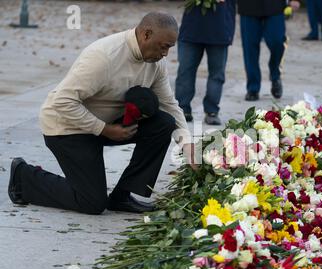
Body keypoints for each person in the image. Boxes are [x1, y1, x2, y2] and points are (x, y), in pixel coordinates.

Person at [7, 12, 196, 215]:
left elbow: (169, 103)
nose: (166, 53)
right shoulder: (104, 56)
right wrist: (103, 129)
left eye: (170, 47)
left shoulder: (156, 63)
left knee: (163, 123)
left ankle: (122, 196)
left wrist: (187, 144)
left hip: (107, 125)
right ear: (146, 34)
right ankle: (24, 176)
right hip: (67, 128)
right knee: (92, 203)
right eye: (164, 46)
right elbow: (62, 101)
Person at [175, 0, 236, 126]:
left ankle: (212, 111)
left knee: (217, 74)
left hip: (220, 27)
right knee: (185, 71)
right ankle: (182, 109)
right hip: (192, 27)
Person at [237, 0, 300, 101]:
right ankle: (253, 88)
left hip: (275, 5)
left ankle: (275, 74)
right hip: (248, 6)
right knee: (250, 48)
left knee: (278, 41)